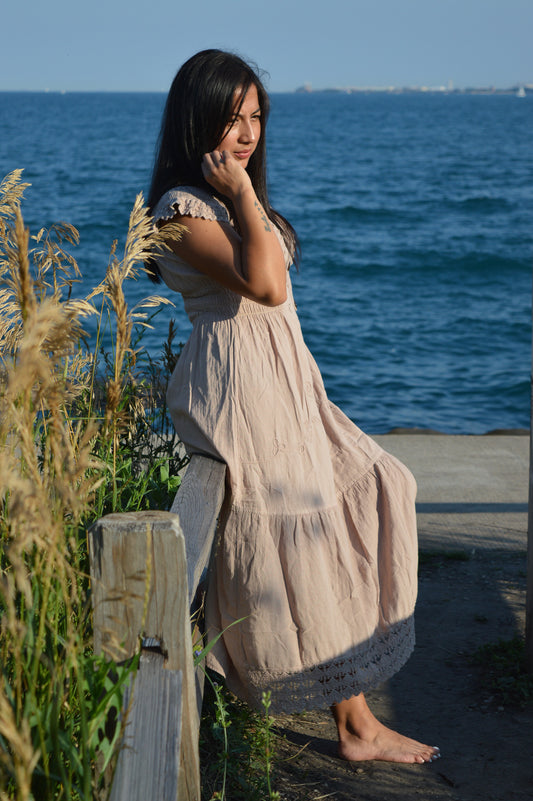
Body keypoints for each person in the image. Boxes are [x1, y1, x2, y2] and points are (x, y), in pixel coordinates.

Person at [147, 49, 440, 764]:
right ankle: (354, 723)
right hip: (240, 389)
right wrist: (245, 196)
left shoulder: (226, 198)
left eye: (256, 117)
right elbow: (266, 285)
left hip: (285, 382)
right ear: (197, 116)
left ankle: (354, 712)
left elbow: (273, 286)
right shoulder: (181, 209)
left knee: (376, 484)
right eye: (232, 115)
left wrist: (245, 196)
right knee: (294, 542)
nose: (246, 132)